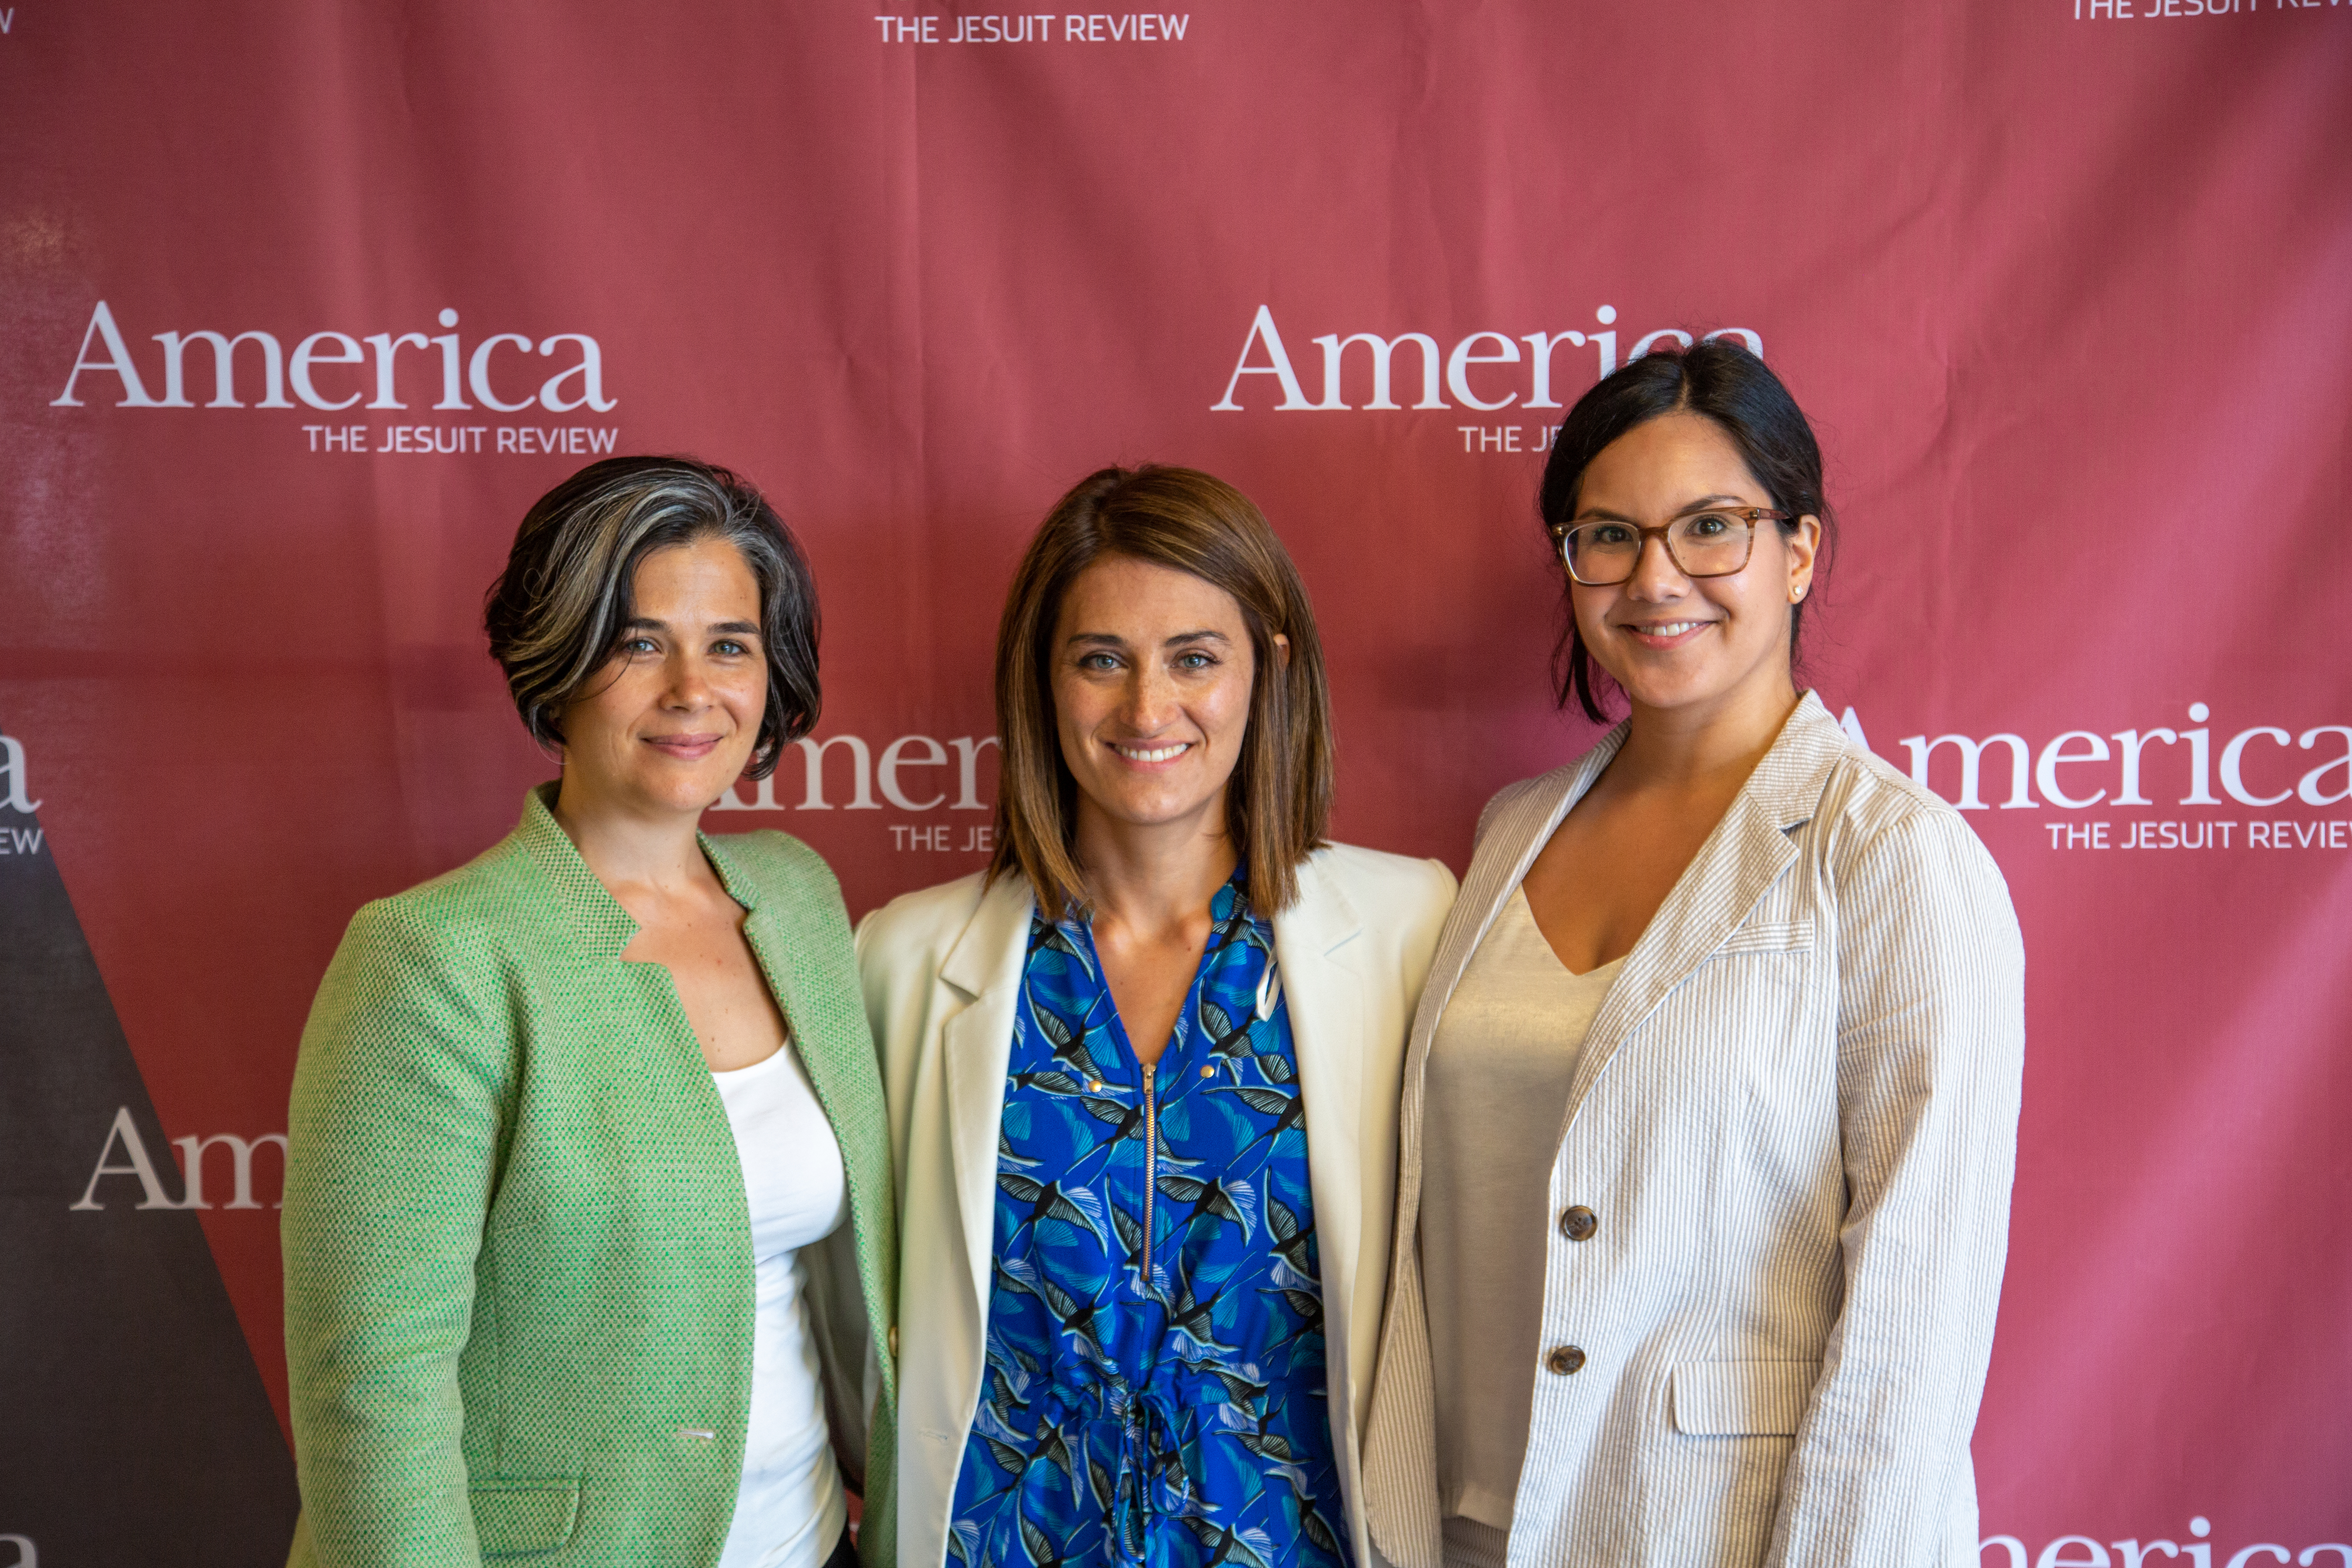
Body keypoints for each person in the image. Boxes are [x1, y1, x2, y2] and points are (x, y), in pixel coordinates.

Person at [1362, 343, 2026, 1568]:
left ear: (1801, 551)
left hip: (1705, 1536)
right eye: (1607, 535)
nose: (1655, 576)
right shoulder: (1515, 828)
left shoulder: (1892, 856)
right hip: (1464, 1526)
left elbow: (1914, 1324)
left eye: (1711, 526)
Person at [283, 457, 897, 1568]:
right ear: (558, 661)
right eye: (636, 641)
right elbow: (371, 1389)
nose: (690, 689)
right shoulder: (436, 957)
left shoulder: (797, 897)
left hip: (813, 1543)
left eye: (729, 644)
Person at [858, 466, 1456, 1568]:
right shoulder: (903, 959)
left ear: (1266, 669)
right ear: (1042, 680)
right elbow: (853, 1328)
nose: (1147, 708)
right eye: (1101, 661)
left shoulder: (1408, 928)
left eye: (1194, 658)